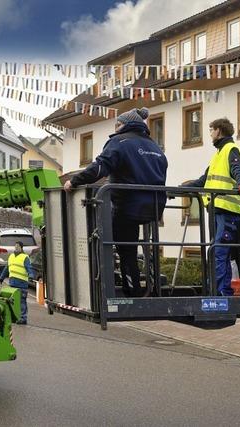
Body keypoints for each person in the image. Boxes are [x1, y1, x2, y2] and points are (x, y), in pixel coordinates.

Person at [64, 107, 168, 297]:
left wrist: (74, 181)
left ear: (123, 125)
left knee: (111, 243)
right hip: (154, 207)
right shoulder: (154, 147)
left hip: (127, 206)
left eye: (117, 124)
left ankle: (127, 289)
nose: (116, 127)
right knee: (136, 245)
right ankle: (140, 285)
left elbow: (100, 168)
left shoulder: (119, 142)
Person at [186, 118, 240, 296]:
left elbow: (238, 169)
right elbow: (202, 181)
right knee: (219, 251)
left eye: (211, 130)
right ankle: (222, 291)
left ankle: (219, 293)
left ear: (219, 131)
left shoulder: (231, 150)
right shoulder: (217, 155)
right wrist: (180, 189)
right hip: (216, 210)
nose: (210, 134)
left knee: (219, 252)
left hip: (228, 211)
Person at [0, 241, 35, 325]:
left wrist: (31, 275)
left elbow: (29, 267)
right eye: (15, 246)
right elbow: (7, 268)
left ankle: (23, 318)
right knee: (13, 301)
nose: (16, 248)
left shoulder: (25, 257)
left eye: (18, 246)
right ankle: (15, 317)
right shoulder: (11, 256)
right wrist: (2, 277)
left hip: (22, 283)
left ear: (21, 248)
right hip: (12, 283)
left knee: (22, 301)